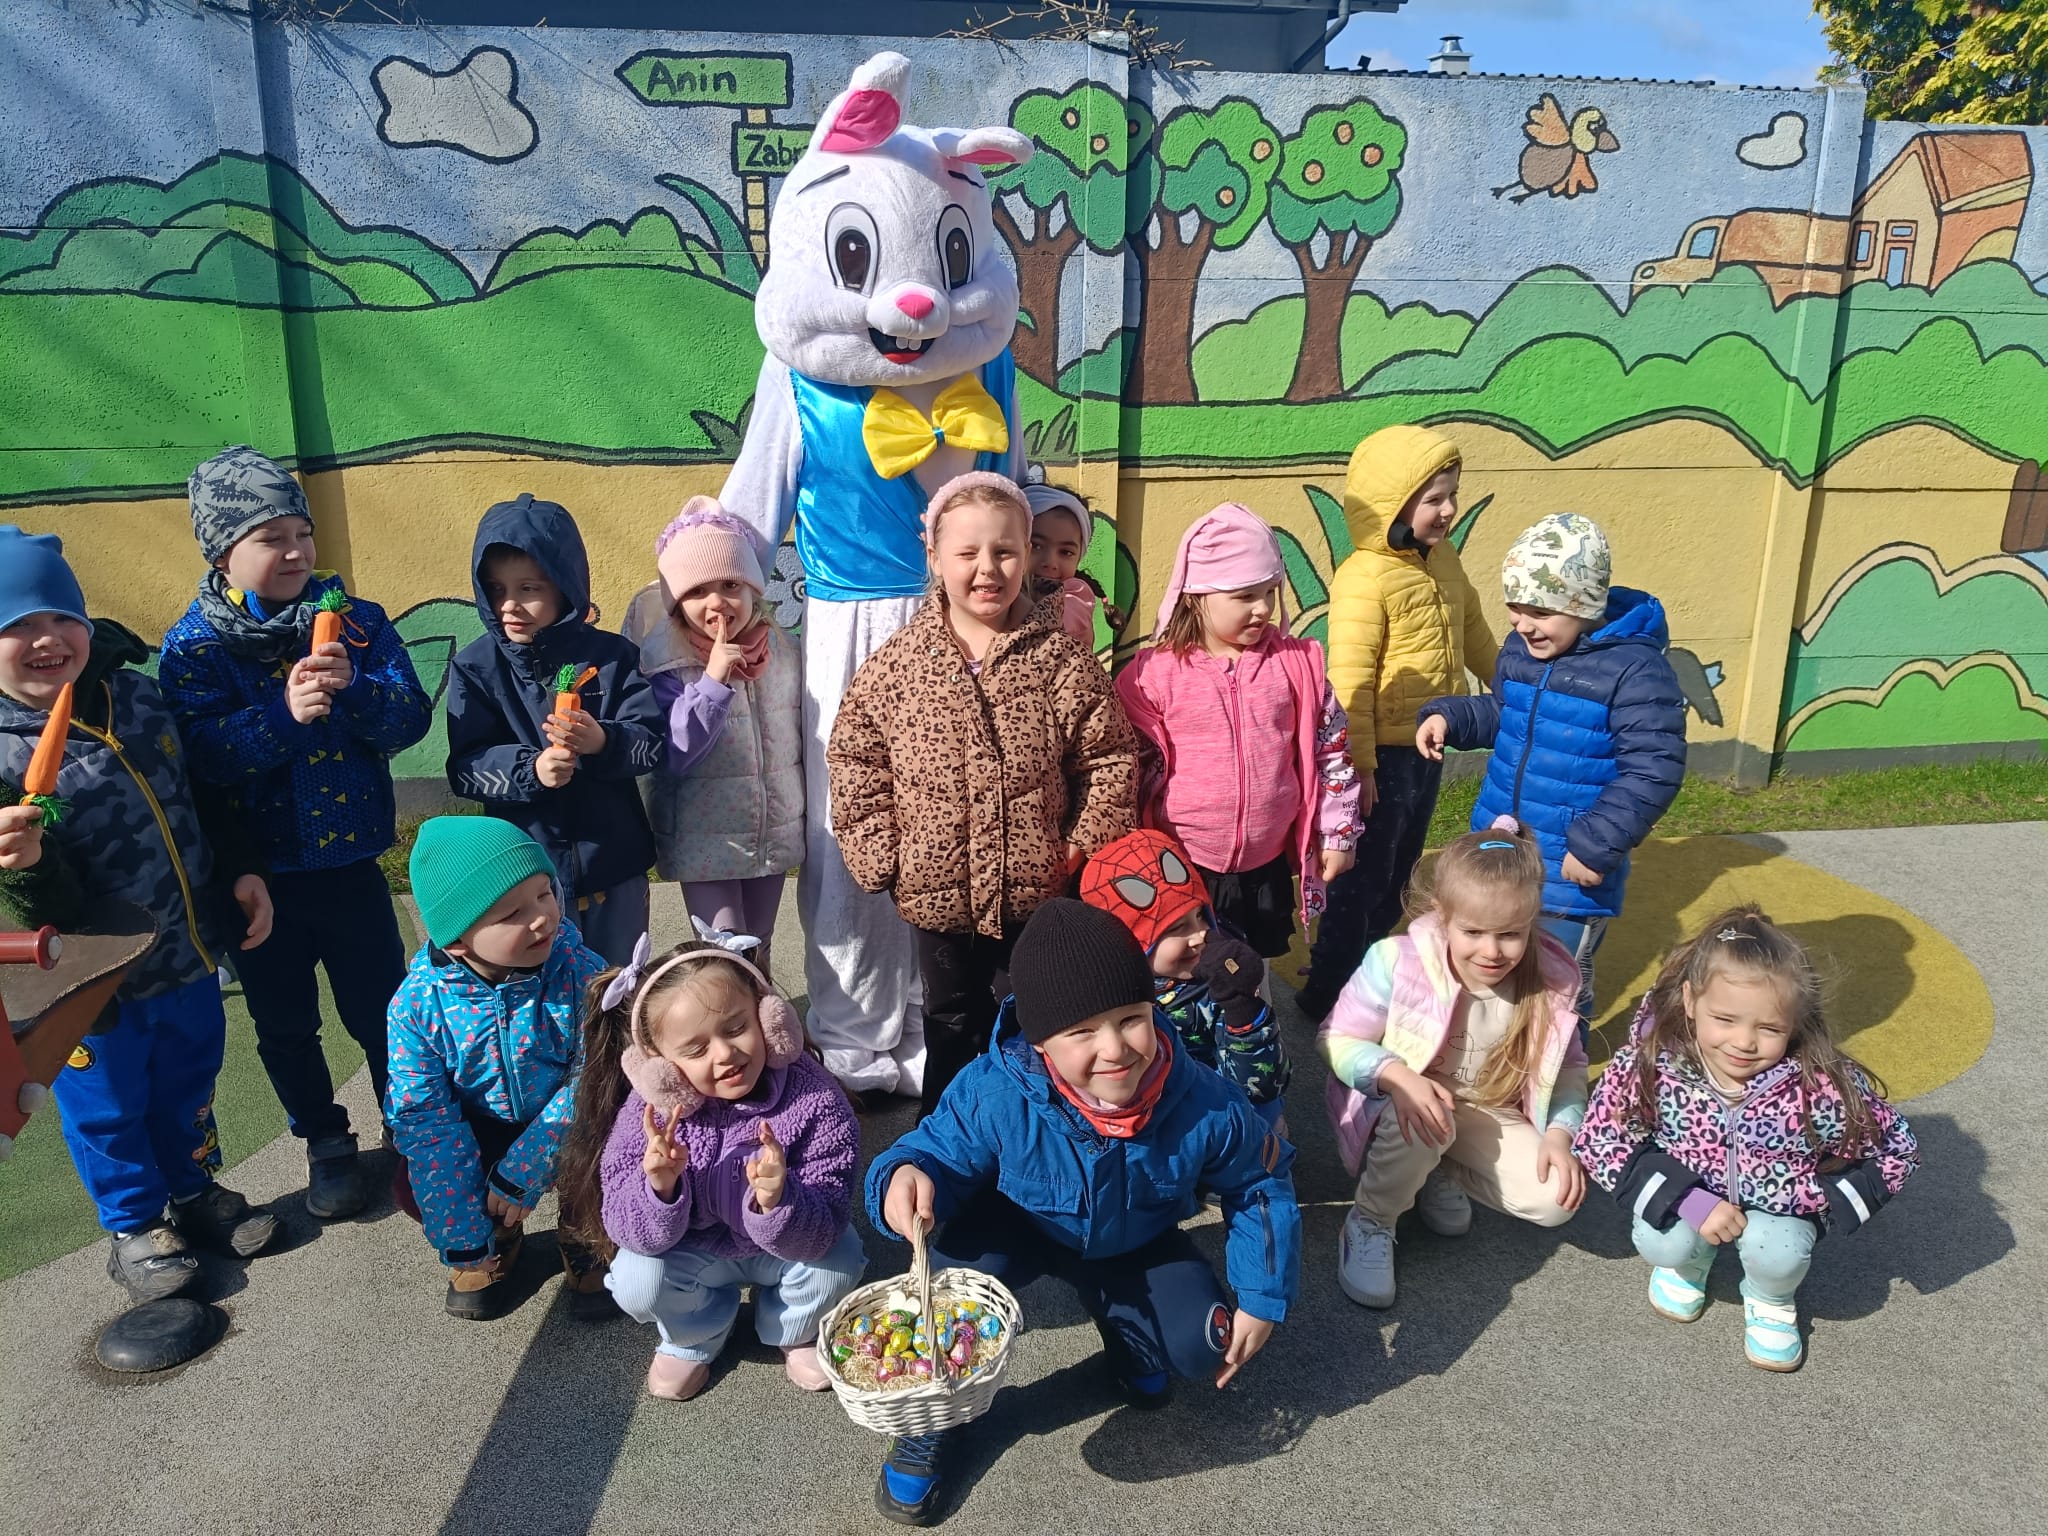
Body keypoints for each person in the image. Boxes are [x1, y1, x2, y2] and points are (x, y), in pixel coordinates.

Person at [866, 899, 1301, 1525]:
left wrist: (1261, 1294)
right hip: (1019, 1228)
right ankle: (933, 1417)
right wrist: (905, 1175)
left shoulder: (1205, 1098)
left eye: (1130, 1019)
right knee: (945, 1296)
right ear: (1041, 1041)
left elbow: (1259, 1183)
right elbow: (934, 1149)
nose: (1115, 1048)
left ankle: (1129, 1330)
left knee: (1203, 1342)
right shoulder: (994, 1090)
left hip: (1134, 1238)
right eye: (1081, 1032)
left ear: (1153, 1007)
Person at [0, 526, 278, 1302]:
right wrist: (26, 865)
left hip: (187, 949)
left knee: (190, 1082)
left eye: (61, 617)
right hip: (90, 987)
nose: (47, 639)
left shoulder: (140, 698)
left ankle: (193, 1189)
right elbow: (31, 907)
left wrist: (239, 870)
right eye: (17, 625)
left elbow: (200, 799)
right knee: (109, 1107)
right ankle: (135, 1225)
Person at [158, 446, 433, 1220]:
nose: (294, 551)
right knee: (284, 1024)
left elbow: (410, 720)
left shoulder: (357, 623)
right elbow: (200, 759)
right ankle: (325, 1140)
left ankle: (412, 1126)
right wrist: (282, 718)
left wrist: (356, 693)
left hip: (350, 865)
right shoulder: (195, 647)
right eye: (269, 538)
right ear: (222, 554)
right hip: (260, 879)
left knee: (384, 1009)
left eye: (301, 533)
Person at [827, 472, 1137, 1117]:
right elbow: (856, 758)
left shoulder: (1060, 660)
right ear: (935, 557)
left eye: (1005, 551)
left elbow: (1107, 756)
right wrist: (883, 855)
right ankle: (946, 1143)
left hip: (1036, 887)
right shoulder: (899, 665)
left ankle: (1034, 1141)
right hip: (935, 891)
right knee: (950, 1019)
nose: (988, 569)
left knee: (1031, 1023)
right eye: (968, 553)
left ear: (1025, 555)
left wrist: (1081, 843)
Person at [1575, 906, 1919, 1371]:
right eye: (1725, 1019)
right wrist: (1687, 1200)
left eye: (1770, 1028)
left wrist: (1823, 1199)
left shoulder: (1818, 1084)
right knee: (1665, 1243)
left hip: (1776, 1210)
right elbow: (1601, 1136)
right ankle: (1689, 1262)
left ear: (1796, 1021)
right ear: (1690, 1000)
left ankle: (1770, 1297)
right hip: (1688, 1194)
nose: (1743, 1042)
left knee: (1778, 1252)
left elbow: (1896, 1145)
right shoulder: (1655, 1064)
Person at [555, 926, 864, 1402]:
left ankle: (793, 1328)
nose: (725, 1054)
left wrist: (779, 1200)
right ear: (657, 1066)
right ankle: (695, 1333)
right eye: (696, 1050)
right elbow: (625, 1229)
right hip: (692, 1252)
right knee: (636, 1279)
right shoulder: (647, 1114)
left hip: (784, 1249)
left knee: (839, 1262)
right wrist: (658, 1188)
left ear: (770, 1018)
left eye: (737, 1028)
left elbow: (826, 1222)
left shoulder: (814, 1097)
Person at [1418, 513, 1687, 1036]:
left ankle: (1562, 1077)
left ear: (1583, 606)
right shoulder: (1524, 650)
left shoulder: (1634, 671)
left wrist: (1596, 844)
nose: (1522, 624)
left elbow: (1654, 767)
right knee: (1495, 972)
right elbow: (1507, 712)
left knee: (1557, 990)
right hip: (1503, 851)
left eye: (1539, 611)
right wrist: (1450, 717)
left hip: (1569, 867)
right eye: (1515, 607)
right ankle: (1496, 1060)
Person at [1321, 820, 1588, 1310]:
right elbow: (1336, 1038)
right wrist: (1396, 1076)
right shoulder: (1396, 960)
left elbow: (1570, 1068)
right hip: (1404, 1104)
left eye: (1511, 934)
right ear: (1442, 915)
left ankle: (1437, 1170)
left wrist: (1559, 1133)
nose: (1492, 951)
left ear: (1532, 920)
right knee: (1427, 1118)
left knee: (1554, 1200)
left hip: (1486, 1108)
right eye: (1473, 932)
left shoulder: (1551, 979)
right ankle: (1371, 1220)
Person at [1297, 426, 1498, 1024]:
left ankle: (1371, 978)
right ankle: (1327, 993)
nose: (1449, 509)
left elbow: (1476, 635)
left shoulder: (1444, 561)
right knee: (1361, 882)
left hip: (1428, 746)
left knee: (1400, 875)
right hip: (1380, 756)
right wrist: (1359, 768)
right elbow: (1349, 682)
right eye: (1434, 498)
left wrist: (1519, 691)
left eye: (1453, 494)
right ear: (1394, 503)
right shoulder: (1365, 576)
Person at [384, 816, 609, 1320]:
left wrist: (527, 1167)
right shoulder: (417, 1004)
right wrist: (461, 1233)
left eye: (544, 893)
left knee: (612, 1147)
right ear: (457, 942)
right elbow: (425, 1118)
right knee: (413, 1183)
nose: (542, 918)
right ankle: (495, 1234)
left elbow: (595, 1074)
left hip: (569, 1116)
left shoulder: (580, 971)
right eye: (512, 913)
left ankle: (584, 1232)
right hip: (480, 1122)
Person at [1114, 502, 1359, 962]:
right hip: (1182, 864)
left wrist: (1337, 834)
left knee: (1252, 968)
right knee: (1186, 968)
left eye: (1270, 591)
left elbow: (1332, 753)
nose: (1263, 608)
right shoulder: (1152, 676)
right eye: (1245, 596)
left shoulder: (1295, 667)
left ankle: (1253, 1011)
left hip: (1264, 868)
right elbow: (1125, 769)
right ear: (1196, 595)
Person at [445, 492, 665, 967]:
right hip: (525, 878)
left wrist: (603, 741)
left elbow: (652, 745)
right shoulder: (476, 668)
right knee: (543, 988)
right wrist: (532, 770)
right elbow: (465, 768)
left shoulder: (612, 657)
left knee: (619, 984)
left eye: (528, 588)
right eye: (496, 589)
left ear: (565, 587)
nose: (510, 605)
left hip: (613, 866)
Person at [623, 497, 803, 975]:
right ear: (676, 603)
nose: (718, 601)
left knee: (760, 944)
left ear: (754, 590)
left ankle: (762, 1017)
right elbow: (676, 753)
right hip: (706, 842)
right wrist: (713, 681)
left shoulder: (781, 650)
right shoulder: (668, 662)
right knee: (724, 950)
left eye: (731, 585)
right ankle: (727, 1016)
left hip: (771, 831)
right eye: (698, 590)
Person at [1081, 827, 1290, 1130]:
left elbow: (1261, 1087)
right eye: (1176, 928)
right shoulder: (1104, 995)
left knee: (1267, 1117)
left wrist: (1243, 1008)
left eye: (1201, 916)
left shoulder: (1218, 984)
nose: (1200, 935)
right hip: (1152, 1119)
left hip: (1218, 1110)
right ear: (1129, 944)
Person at [1023, 479, 1107, 648]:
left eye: (1066, 552)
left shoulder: (1075, 598)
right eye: (1036, 546)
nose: (1050, 563)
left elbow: (1045, 622)